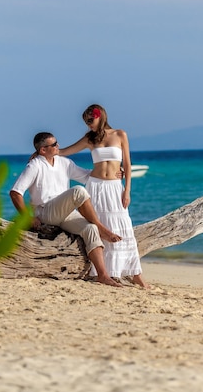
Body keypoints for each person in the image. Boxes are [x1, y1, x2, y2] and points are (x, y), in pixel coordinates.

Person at [10, 132, 123, 287]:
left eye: (57, 142)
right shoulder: (34, 165)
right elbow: (15, 192)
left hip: (65, 213)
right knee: (78, 191)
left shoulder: (64, 163)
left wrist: (114, 173)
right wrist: (28, 217)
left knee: (90, 229)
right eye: (54, 144)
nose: (58, 146)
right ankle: (101, 227)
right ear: (43, 150)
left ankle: (103, 275)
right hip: (45, 212)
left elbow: (89, 177)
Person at [59, 104, 149, 288]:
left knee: (124, 226)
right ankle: (105, 272)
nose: (89, 124)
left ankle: (135, 274)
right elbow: (65, 152)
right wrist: (43, 151)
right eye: (86, 122)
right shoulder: (89, 139)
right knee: (99, 226)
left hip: (115, 187)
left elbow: (128, 164)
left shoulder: (120, 134)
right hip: (96, 186)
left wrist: (127, 189)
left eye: (91, 120)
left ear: (101, 116)